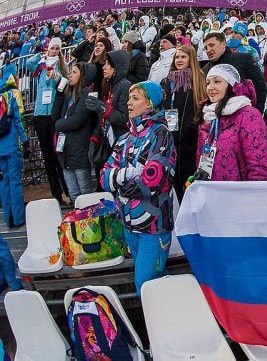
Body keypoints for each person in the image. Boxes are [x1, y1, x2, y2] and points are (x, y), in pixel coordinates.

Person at [101, 81, 176, 294]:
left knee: (145, 284)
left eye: (136, 98)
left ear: (149, 104)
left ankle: (161, 322)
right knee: (155, 279)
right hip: (129, 224)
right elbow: (104, 177)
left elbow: (154, 179)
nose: (129, 103)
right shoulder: (125, 138)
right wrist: (129, 173)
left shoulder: (161, 134)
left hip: (154, 225)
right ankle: (168, 319)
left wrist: (120, 184)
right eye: (129, 98)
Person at [193, 64, 267, 182]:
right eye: (208, 83)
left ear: (231, 85)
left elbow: (258, 165)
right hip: (211, 192)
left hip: (238, 194)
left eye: (217, 81)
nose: (210, 87)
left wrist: (255, 195)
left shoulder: (248, 115)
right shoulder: (208, 115)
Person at [26, 37, 70, 205]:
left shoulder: (61, 68)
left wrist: (57, 77)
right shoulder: (41, 66)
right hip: (39, 114)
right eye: (52, 48)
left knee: (56, 155)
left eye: (57, 49)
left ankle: (67, 191)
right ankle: (56, 194)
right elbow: (29, 64)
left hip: (53, 114)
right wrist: (41, 55)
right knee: (47, 157)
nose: (54, 51)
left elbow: (64, 84)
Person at [160, 45, 207, 201]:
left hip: (190, 139)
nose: (179, 60)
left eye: (183, 57)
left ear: (191, 59)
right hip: (170, 138)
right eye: (177, 57)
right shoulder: (166, 81)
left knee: (189, 183)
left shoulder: (199, 79)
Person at [51, 62, 97, 204]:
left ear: (83, 75)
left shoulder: (86, 93)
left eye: (74, 72)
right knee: (73, 194)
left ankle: (90, 224)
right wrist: (59, 93)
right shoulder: (68, 94)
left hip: (79, 150)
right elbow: (54, 117)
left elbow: (76, 121)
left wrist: (59, 125)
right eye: (70, 72)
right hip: (65, 152)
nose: (70, 75)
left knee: (85, 194)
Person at [86, 50, 133, 170]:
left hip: (120, 145)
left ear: (117, 67)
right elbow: (103, 119)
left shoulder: (125, 86)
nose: (104, 67)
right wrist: (94, 139)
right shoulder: (108, 86)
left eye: (108, 64)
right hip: (107, 142)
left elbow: (125, 119)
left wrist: (101, 107)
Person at [201, 32, 267, 112]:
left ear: (223, 44)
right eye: (205, 48)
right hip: (217, 118)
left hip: (244, 115)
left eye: (212, 45)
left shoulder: (243, 58)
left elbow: (259, 86)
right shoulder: (205, 70)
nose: (208, 50)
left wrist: (256, 112)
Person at [0, 65, 29, 228]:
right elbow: (19, 120)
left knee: (4, 181)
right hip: (11, 145)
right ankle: (18, 219)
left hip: (0, 147)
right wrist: (25, 143)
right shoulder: (13, 93)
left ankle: (8, 218)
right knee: (15, 181)